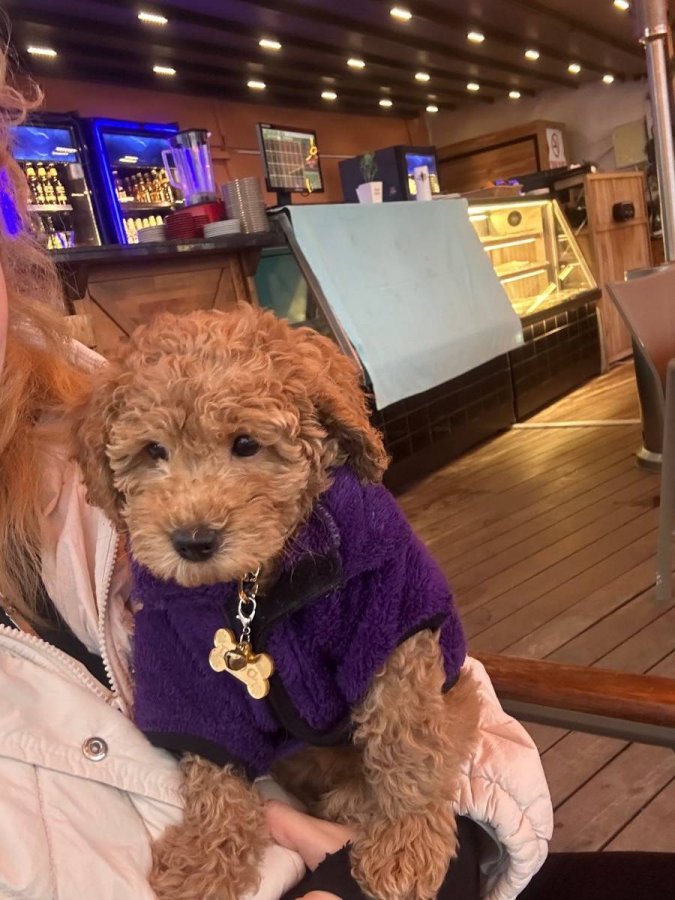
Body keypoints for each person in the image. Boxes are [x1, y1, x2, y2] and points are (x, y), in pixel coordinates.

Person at [0, 55, 557, 899]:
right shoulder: (116, 439)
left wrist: (412, 821)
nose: (190, 513)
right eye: (154, 457)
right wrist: (229, 829)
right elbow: (193, 716)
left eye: (244, 446)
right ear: (107, 469)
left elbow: (433, 682)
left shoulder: (348, 528)